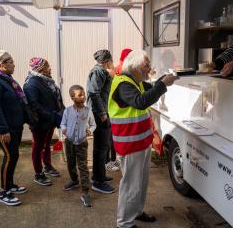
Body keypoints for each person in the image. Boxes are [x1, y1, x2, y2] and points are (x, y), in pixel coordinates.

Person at [108, 50, 179, 228]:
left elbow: (153, 87)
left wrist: (168, 77)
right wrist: (163, 84)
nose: (149, 68)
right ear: (134, 66)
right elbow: (141, 101)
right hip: (130, 143)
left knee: (140, 182)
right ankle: (124, 223)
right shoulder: (124, 84)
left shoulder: (135, 81)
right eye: (146, 65)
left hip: (140, 142)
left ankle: (136, 212)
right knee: (131, 185)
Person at [0, 50, 27, 206]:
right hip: (5, 129)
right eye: (11, 62)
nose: (14, 64)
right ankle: (4, 191)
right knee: (9, 157)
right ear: (2, 65)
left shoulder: (6, 79)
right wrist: (2, 130)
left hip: (15, 126)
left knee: (13, 156)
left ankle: (10, 184)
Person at [24, 57, 65, 186]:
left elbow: (54, 99)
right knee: (38, 147)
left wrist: (60, 113)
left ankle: (47, 166)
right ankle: (38, 174)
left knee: (46, 144)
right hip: (40, 122)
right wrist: (51, 115)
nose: (50, 68)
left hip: (50, 120)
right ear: (40, 69)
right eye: (47, 67)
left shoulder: (46, 81)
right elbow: (34, 105)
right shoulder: (31, 83)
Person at [60, 85, 96, 207]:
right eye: (80, 95)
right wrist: (64, 130)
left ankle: (85, 192)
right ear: (72, 97)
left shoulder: (88, 111)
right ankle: (74, 180)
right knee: (70, 163)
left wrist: (90, 131)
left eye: (84, 94)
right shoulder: (67, 110)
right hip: (69, 142)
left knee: (83, 166)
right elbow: (63, 123)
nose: (83, 96)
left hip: (82, 143)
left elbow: (93, 124)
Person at [86, 49, 116, 194]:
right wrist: (102, 113)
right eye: (111, 60)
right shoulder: (98, 72)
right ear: (107, 61)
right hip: (99, 114)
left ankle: (99, 175)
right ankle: (98, 182)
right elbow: (93, 92)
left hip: (101, 112)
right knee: (102, 147)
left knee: (101, 146)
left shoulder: (101, 71)